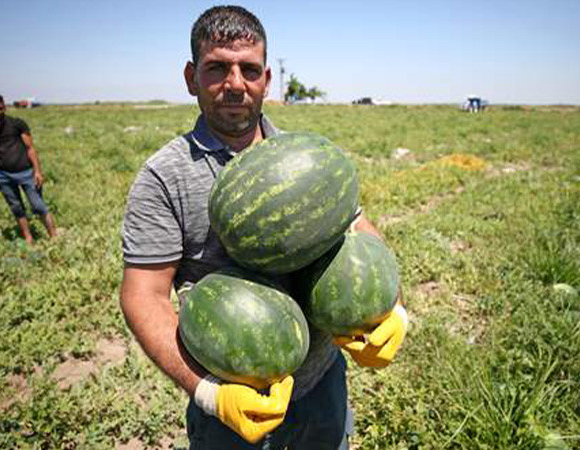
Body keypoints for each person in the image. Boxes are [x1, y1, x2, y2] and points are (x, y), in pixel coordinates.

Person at [119, 6, 408, 449]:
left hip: (321, 384)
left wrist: (394, 309)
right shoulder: (164, 176)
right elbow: (144, 294)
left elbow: (358, 229)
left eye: (248, 69)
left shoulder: (304, 157)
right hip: (234, 402)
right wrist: (208, 393)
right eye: (217, 68)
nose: (235, 83)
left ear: (266, 79)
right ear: (191, 76)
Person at [0, 93, 57, 244]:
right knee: (17, 208)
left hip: (26, 173)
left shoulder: (17, 124)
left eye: (1, 108)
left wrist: (37, 171)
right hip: (3, 175)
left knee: (38, 206)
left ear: (5, 106)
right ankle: (28, 238)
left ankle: (54, 236)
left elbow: (30, 149)